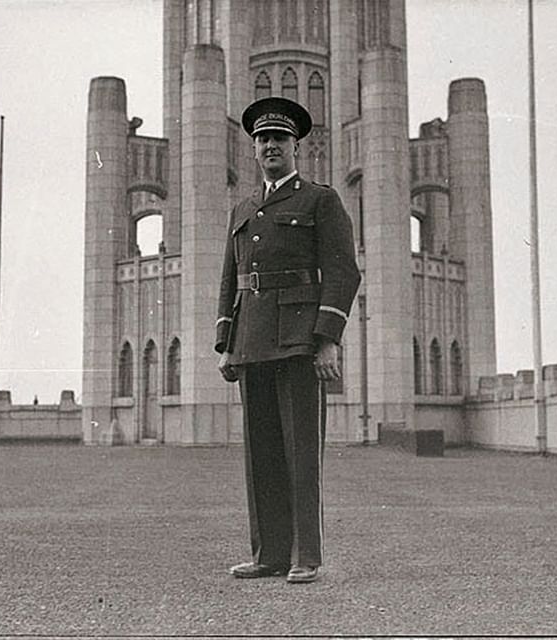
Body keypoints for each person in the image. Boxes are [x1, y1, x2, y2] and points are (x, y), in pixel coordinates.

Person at [214, 97, 361, 584]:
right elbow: (230, 278)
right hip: (253, 343)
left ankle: (305, 556)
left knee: (300, 453)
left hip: (300, 343)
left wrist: (328, 339)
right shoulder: (243, 207)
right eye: (261, 140)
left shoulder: (320, 200)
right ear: (253, 151)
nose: (270, 146)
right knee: (262, 457)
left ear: (297, 146)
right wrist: (226, 342)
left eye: (279, 138)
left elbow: (342, 272)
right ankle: (268, 555)